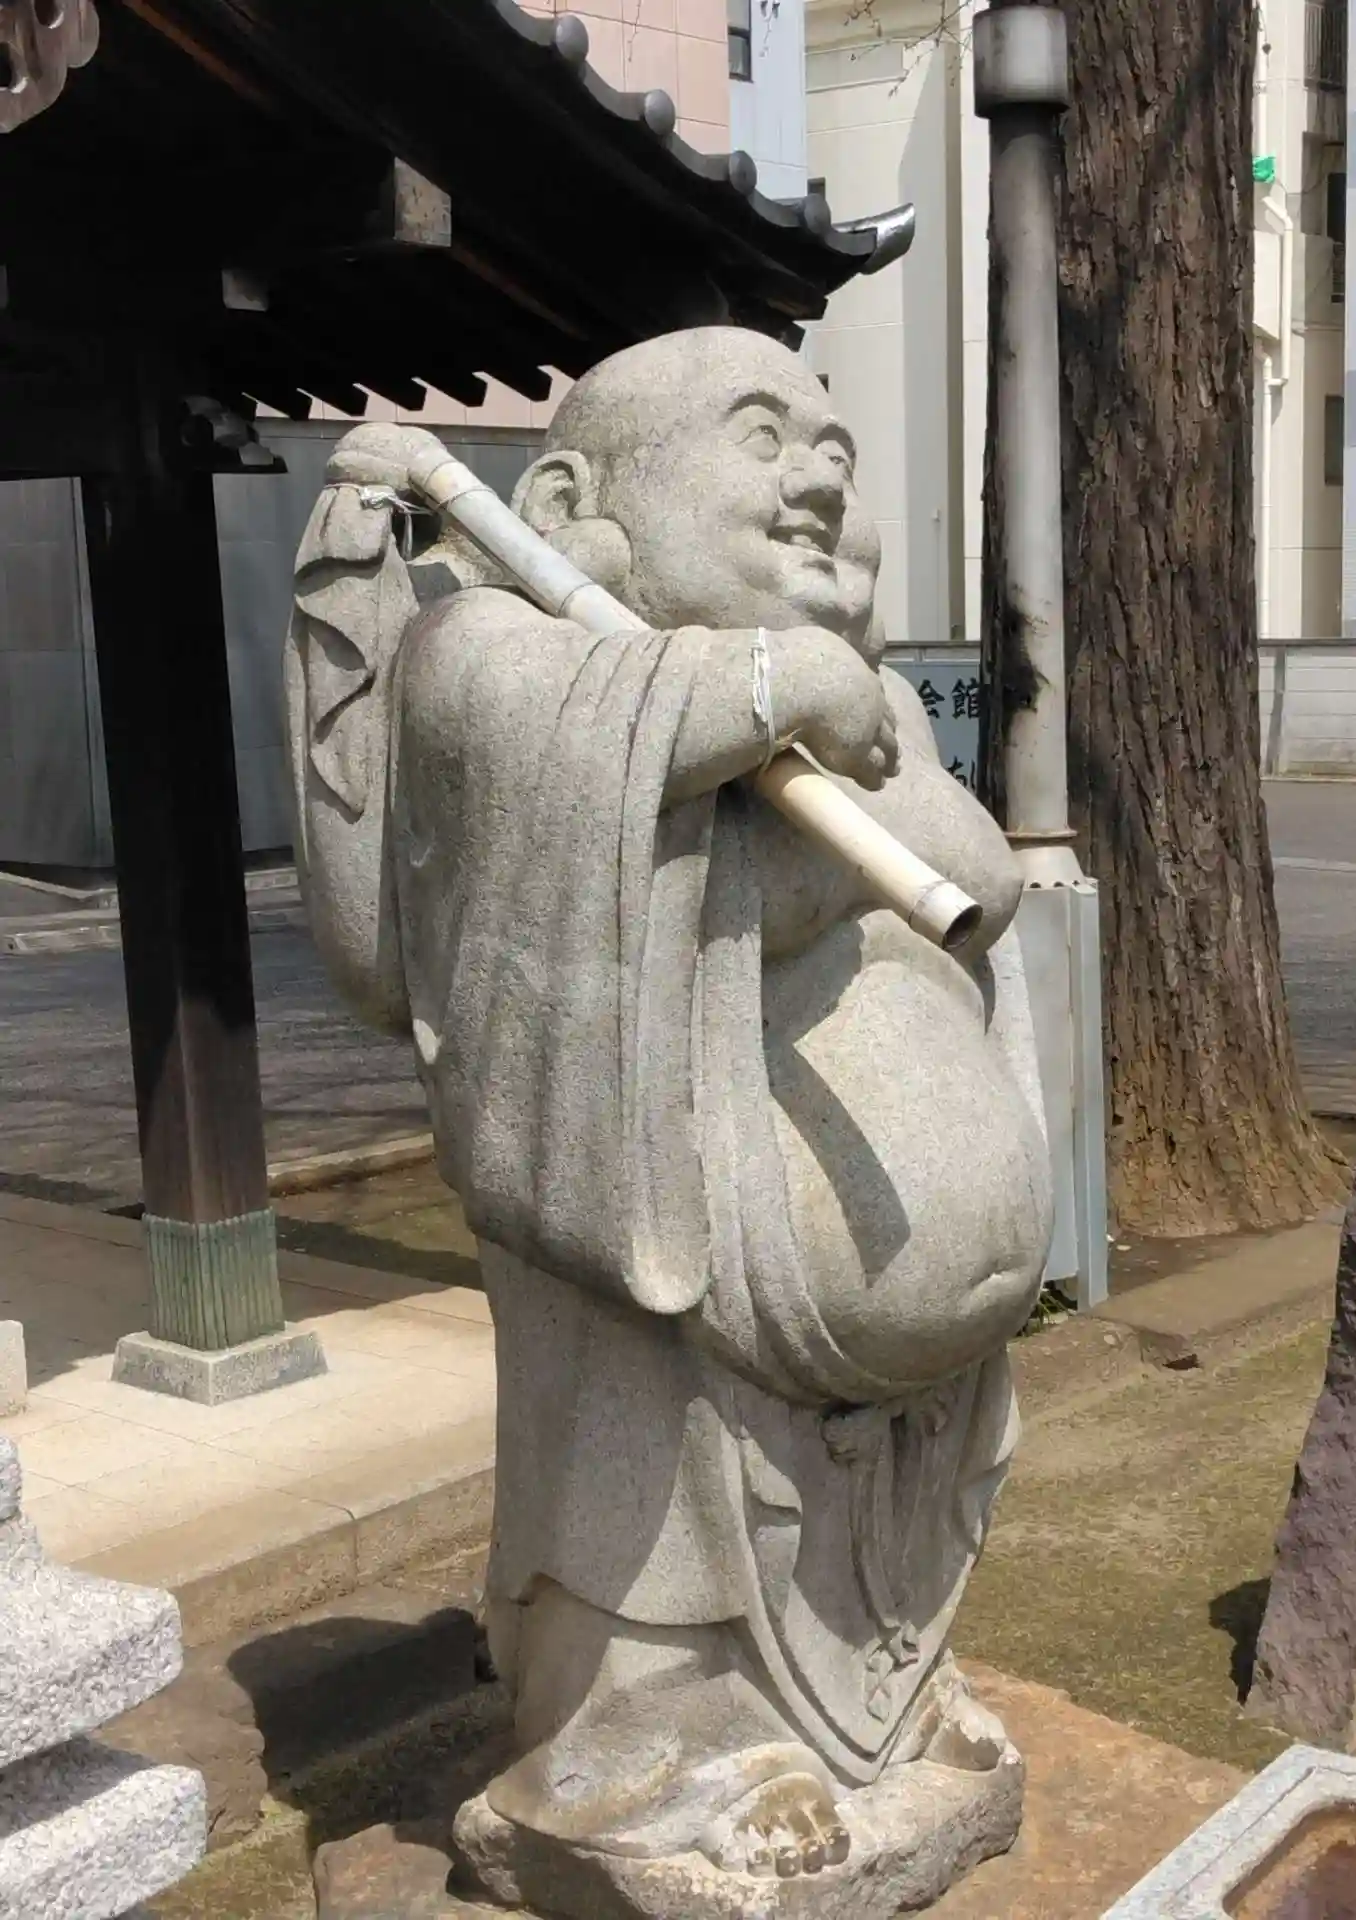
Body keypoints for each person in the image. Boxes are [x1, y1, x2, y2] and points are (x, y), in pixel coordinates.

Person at [286, 327, 1053, 1894]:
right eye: (762, 438)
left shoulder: (862, 709)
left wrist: (823, 715)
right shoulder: (494, 657)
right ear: (575, 505)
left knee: (848, 1516)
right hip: (658, 1237)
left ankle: (875, 1705)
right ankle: (661, 1750)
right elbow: (585, 782)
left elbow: (972, 868)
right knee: (657, 1499)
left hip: (887, 1348)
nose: (820, 475)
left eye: (835, 447)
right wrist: (773, 690)